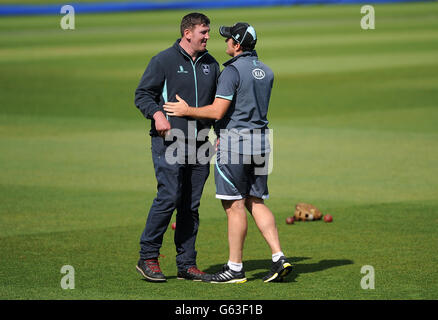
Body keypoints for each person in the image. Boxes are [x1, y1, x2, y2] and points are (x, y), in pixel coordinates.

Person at [164, 22, 292, 283]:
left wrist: (187, 110)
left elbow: (217, 111)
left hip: (235, 143)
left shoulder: (231, 72)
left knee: (234, 205)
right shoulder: (266, 71)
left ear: (236, 45)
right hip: (262, 142)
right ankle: (279, 257)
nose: (223, 44)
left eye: (228, 40)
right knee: (255, 200)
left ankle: (235, 268)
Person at [134, 12, 220, 282]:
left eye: (208, 32)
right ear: (187, 33)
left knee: (190, 206)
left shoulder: (211, 64)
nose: (208, 37)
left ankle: (186, 264)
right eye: (203, 32)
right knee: (169, 196)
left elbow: (217, 104)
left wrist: (219, 133)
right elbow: (143, 94)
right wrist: (157, 114)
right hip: (169, 141)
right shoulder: (163, 60)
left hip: (200, 144)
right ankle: (148, 257)